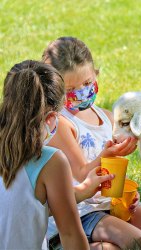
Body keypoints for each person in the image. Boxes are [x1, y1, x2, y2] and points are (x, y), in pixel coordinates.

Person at [42, 37, 141, 249]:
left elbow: (112, 170)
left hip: (108, 204)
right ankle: (70, 244)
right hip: (78, 212)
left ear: (96, 75)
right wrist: (106, 156)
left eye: (87, 83)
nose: (81, 92)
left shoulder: (107, 117)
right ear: (55, 88)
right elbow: (82, 174)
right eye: (70, 89)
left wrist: (125, 194)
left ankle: (103, 242)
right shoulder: (60, 122)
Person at [0, 60, 114, 249]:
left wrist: (82, 191)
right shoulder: (49, 160)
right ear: (52, 118)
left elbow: (19, 206)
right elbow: (71, 236)